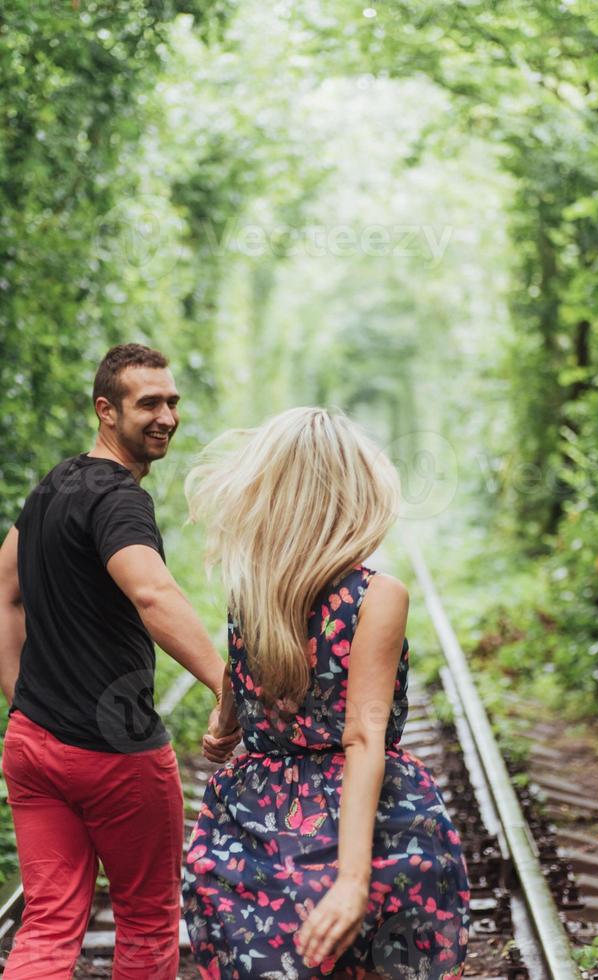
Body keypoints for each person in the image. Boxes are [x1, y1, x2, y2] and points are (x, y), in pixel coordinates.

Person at [182, 406, 470, 980]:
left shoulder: (249, 594)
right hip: (366, 819)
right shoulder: (376, 595)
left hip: (256, 820)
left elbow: (234, 703)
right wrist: (351, 879)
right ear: (351, 494)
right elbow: (363, 736)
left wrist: (224, 724)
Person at [0, 343, 241, 980]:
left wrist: (21, 699)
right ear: (106, 411)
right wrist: (226, 684)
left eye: (172, 401)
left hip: (33, 743)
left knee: (48, 921)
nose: (165, 415)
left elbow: (4, 592)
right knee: (147, 917)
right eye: (148, 404)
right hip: (116, 754)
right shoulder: (120, 501)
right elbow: (152, 591)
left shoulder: (53, 485)